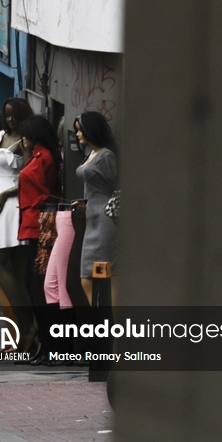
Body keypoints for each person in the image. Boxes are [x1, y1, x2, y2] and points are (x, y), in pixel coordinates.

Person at [0, 97, 38, 352]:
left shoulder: (23, 142)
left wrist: (6, 193)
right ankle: (25, 333)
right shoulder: (0, 137)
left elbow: (29, 178)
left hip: (13, 207)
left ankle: (26, 329)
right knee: (16, 276)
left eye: (12, 115)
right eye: (5, 114)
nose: (8, 119)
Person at [16, 116, 64, 363]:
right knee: (34, 286)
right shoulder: (40, 155)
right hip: (36, 225)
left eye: (25, 135)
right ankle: (45, 345)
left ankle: (49, 346)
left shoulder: (42, 157)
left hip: (41, 226)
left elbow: (44, 192)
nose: (22, 139)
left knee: (39, 288)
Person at [73, 112, 119, 306]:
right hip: (91, 219)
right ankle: (101, 323)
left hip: (104, 221)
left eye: (80, 130)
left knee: (106, 277)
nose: (77, 135)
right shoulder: (91, 154)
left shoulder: (106, 155)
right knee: (86, 277)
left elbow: (116, 185)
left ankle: (115, 331)